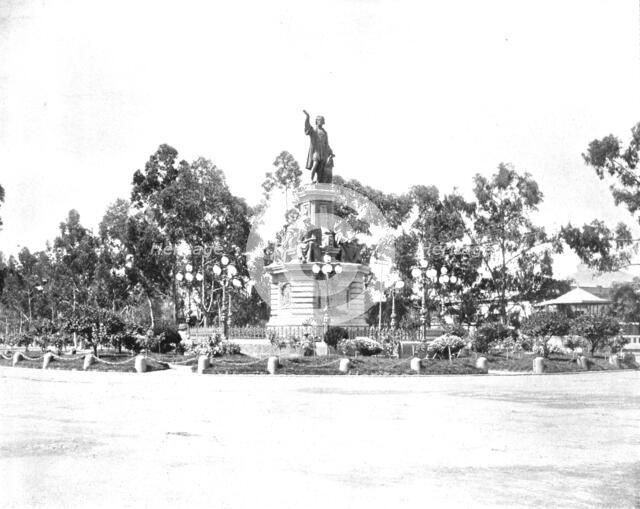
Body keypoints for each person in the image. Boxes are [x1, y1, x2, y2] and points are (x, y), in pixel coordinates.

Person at [303, 109, 335, 183]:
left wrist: (330, 152)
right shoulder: (314, 130)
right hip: (316, 151)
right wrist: (307, 117)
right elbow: (307, 127)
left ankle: (317, 181)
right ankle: (311, 180)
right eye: (319, 120)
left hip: (323, 152)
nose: (320, 121)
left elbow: (326, 144)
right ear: (316, 121)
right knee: (315, 165)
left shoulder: (325, 132)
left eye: (322, 120)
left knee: (321, 169)